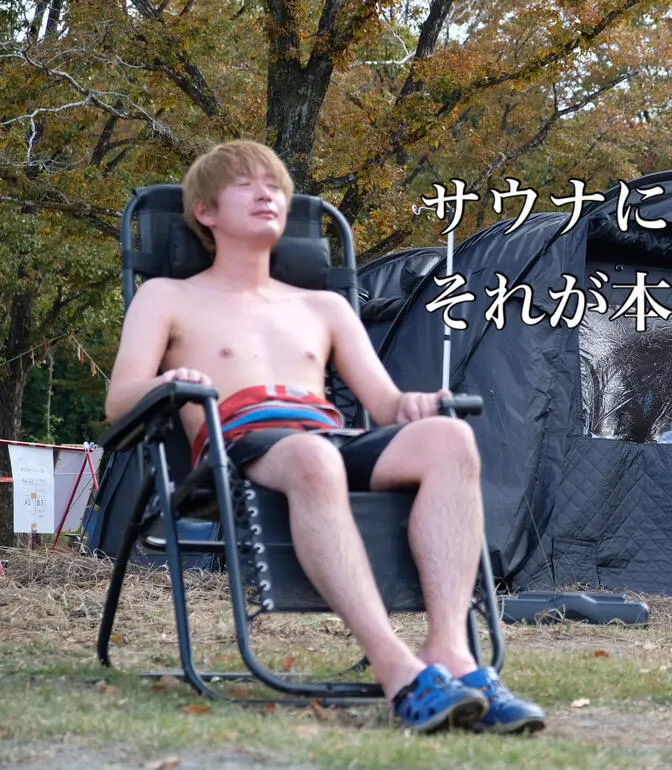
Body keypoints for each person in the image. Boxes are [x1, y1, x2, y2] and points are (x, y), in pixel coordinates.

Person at [104, 139, 545, 736]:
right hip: (238, 444)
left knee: (449, 440)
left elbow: (385, 404)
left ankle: (452, 653)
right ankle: (397, 670)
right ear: (205, 211)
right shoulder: (168, 296)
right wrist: (166, 384)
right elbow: (120, 401)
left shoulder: (324, 307)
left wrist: (413, 405)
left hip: (326, 437)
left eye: (274, 186)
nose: (266, 194)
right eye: (245, 185)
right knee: (315, 456)